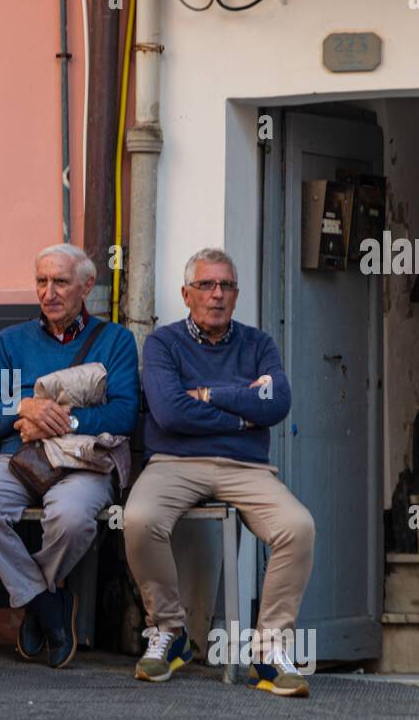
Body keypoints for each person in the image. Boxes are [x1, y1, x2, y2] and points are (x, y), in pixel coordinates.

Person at [124, 247, 315, 697]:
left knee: (298, 527)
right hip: (174, 463)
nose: (217, 295)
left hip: (245, 466)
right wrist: (242, 410)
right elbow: (170, 414)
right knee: (137, 520)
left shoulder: (259, 344)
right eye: (207, 285)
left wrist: (207, 394)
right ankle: (169, 631)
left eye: (226, 286)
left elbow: (278, 403)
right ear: (186, 294)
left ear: (237, 294)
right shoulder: (163, 343)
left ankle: (269, 652)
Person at [0, 244, 139, 669]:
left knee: (72, 519)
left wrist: (64, 422)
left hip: (85, 460)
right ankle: (48, 603)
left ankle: (38, 600)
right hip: (23, 458)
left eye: (60, 281)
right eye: (41, 281)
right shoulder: (10, 341)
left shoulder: (115, 340)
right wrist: (24, 408)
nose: (48, 292)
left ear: (87, 285)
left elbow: (125, 412)